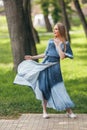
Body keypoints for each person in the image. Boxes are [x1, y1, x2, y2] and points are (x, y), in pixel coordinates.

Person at [14, 22, 77, 119]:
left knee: (59, 88)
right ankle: (44, 111)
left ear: (61, 30)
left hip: (55, 68)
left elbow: (62, 57)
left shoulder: (65, 44)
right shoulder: (50, 41)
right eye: (54, 29)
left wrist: (57, 46)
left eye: (56, 29)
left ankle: (69, 111)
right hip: (45, 66)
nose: (54, 31)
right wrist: (32, 57)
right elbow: (45, 54)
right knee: (44, 88)